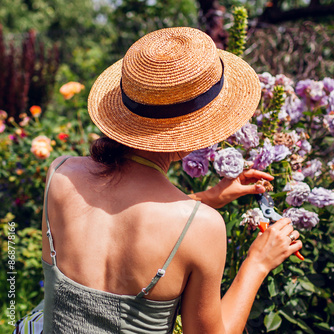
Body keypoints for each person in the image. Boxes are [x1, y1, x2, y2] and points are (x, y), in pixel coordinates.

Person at [38, 27, 302, 333]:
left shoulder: (60, 173)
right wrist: (258, 262)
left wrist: (208, 198)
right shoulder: (202, 228)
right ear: (192, 131)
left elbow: (115, 221)